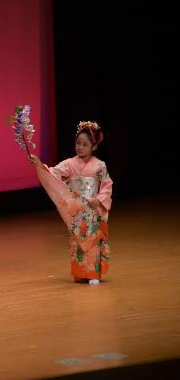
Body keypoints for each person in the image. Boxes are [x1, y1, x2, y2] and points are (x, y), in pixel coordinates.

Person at [29, 121, 113, 284]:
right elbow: (53, 173)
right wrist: (39, 164)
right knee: (77, 240)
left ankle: (93, 274)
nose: (80, 147)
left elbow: (107, 185)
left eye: (85, 144)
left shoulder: (100, 166)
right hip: (77, 208)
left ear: (93, 147)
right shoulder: (69, 163)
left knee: (92, 239)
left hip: (92, 207)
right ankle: (80, 273)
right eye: (78, 143)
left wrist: (99, 199)